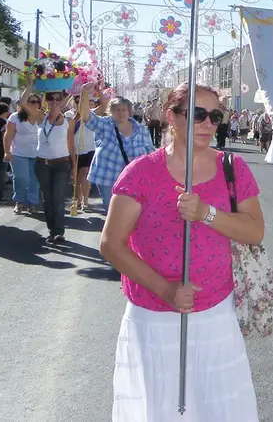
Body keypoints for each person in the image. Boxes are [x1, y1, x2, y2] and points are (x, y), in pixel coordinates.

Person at [101, 83, 262, 421]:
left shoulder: (233, 168)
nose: (208, 123)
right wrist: (167, 290)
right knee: (161, 407)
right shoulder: (141, 172)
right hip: (153, 316)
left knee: (215, 406)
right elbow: (112, 244)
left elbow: (254, 230)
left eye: (215, 116)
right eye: (197, 114)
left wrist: (207, 213)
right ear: (171, 117)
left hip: (215, 312)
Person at [81, 95, 155, 213]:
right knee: (112, 212)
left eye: (124, 110)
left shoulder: (141, 130)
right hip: (108, 178)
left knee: (132, 212)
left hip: (134, 179)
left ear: (129, 111)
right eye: (117, 110)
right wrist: (84, 94)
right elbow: (86, 117)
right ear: (111, 111)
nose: (121, 113)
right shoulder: (105, 125)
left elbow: (150, 154)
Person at [35, 90, 76, 243]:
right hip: (42, 164)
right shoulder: (40, 117)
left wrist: (74, 167)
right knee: (48, 199)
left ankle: (58, 232)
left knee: (58, 199)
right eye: (50, 99)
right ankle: (52, 230)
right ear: (46, 101)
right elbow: (24, 103)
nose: (54, 102)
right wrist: (32, 84)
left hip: (62, 164)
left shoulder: (68, 120)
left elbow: (71, 144)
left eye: (58, 99)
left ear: (62, 101)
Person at [4, 90, 43, 214]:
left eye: (38, 102)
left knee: (34, 180)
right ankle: (19, 201)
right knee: (22, 178)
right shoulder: (15, 117)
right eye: (32, 101)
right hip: (18, 153)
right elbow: (8, 135)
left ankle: (32, 203)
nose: (35, 104)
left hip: (37, 154)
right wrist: (7, 151)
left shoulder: (41, 116)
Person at [65, 95, 98, 211]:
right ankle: (77, 199)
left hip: (89, 148)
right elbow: (69, 128)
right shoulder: (69, 114)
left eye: (82, 101)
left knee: (85, 173)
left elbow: (104, 106)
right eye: (77, 101)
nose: (80, 103)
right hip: (74, 149)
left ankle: (85, 201)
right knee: (76, 177)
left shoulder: (91, 113)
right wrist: (78, 115)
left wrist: (98, 88)